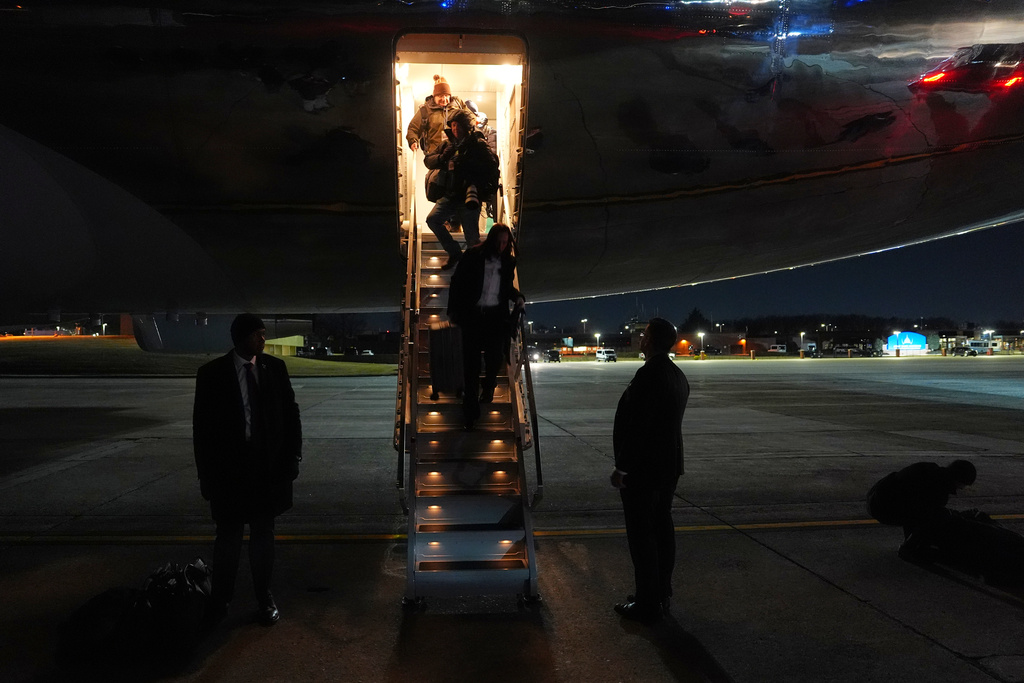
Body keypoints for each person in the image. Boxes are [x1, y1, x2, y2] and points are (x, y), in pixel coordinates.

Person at [193, 313, 302, 627]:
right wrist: (206, 475)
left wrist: (293, 456)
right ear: (240, 338)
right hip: (229, 474)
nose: (263, 340)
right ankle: (221, 600)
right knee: (228, 538)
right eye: (258, 335)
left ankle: (263, 596)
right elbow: (202, 429)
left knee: (263, 538)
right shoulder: (212, 374)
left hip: (266, 472)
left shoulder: (274, 369)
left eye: (264, 335)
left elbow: (290, 414)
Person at [610, 318, 690, 623]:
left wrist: (622, 467)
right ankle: (660, 592)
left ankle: (646, 603)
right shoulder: (677, 374)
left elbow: (639, 427)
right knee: (662, 529)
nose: (640, 339)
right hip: (669, 465)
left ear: (650, 340)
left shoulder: (649, 375)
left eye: (643, 335)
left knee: (642, 536)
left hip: (644, 469)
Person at [447, 223, 524, 430]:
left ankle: (489, 386)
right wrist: (453, 311)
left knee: (495, 357)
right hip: (472, 318)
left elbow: (506, 289)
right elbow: (456, 282)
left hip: (495, 318)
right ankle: (470, 415)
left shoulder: (508, 261)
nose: (501, 246)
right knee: (470, 367)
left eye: (505, 242)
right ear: (491, 239)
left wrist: (518, 298)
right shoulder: (473, 255)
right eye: (498, 241)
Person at [424, 109, 500, 269]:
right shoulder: (448, 144)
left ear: (467, 126)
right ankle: (455, 253)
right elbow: (428, 161)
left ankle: (476, 266)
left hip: (468, 197)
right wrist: (443, 157)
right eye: (452, 125)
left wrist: (465, 163)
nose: (455, 129)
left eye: (459, 125)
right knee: (433, 220)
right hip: (450, 195)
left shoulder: (478, 144)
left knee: (472, 238)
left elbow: (492, 164)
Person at [866, 459, 976, 559]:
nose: (962, 488)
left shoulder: (930, 468)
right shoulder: (939, 490)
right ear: (958, 479)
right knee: (936, 516)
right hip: (882, 507)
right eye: (963, 484)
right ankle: (910, 548)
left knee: (922, 510)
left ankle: (911, 543)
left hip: (875, 498)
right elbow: (924, 514)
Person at [405, 75, 467, 155]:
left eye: (446, 95)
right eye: (440, 96)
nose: (444, 99)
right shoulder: (425, 110)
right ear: (434, 96)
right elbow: (413, 128)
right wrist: (413, 141)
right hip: (436, 156)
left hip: (458, 155)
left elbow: (471, 120)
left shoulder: (459, 106)